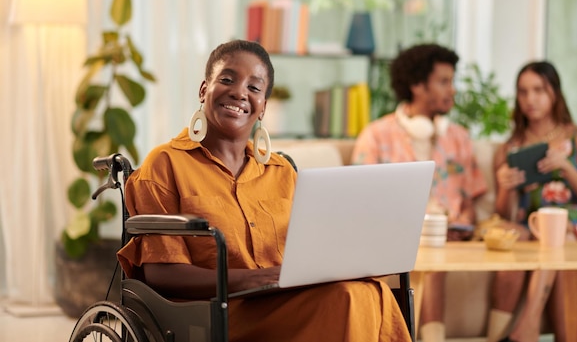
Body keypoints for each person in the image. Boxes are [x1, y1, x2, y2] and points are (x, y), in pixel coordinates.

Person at [116, 39, 412, 342]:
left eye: (254, 87)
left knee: (371, 290)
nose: (240, 92)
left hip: (283, 301)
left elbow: (312, 254)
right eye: (227, 79)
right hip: (214, 315)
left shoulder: (282, 171)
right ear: (204, 90)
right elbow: (162, 275)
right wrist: (256, 277)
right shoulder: (165, 164)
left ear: (263, 108)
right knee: (348, 298)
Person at [351, 43, 487, 342]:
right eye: (443, 81)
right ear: (416, 85)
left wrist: (462, 221)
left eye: (452, 81)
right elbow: (361, 204)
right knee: (424, 260)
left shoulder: (459, 138)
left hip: (450, 238)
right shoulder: (376, 136)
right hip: (399, 238)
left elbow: (470, 202)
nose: (452, 90)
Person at [486, 61, 577, 342]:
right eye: (523, 92)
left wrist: (565, 167)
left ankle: (528, 326)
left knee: (559, 234)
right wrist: (505, 186)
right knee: (524, 236)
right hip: (538, 226)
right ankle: (507, 334)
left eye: (538, 90)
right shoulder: (510, 148)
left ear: (555, 93)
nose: (530, 99)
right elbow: (505, 215)